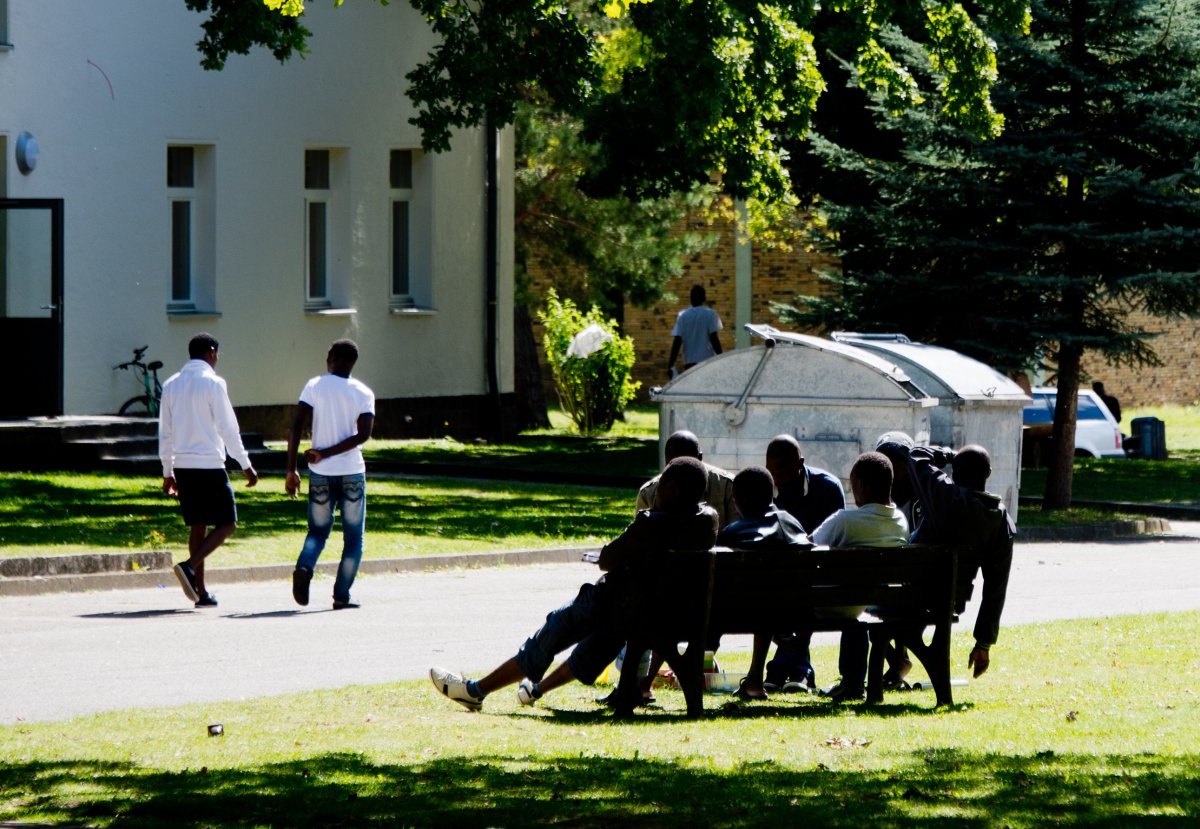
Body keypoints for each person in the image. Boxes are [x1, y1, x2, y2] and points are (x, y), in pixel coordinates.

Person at [429, 457, 718, 712]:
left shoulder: (651, 523)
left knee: (554, 629)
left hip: (616, 606)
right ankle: (529, 690)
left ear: (671, 489)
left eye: (661, 485)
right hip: (667, 616)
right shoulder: (707, 522)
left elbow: (608, 559)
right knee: (598, 643)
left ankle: (475, 691)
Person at [159, 332, 258, 608]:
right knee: (227, 523)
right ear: (212, 352)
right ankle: (189, 567)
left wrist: (168, 470)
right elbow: (228, 428)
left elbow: (165, 433)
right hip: (210, 465)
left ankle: (200, 592)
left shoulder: (170, 384)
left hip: (183, 466)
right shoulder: (214, 383)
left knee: (198, 525)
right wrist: (245, 464)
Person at [904, 442, 1015, 680]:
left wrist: (949, 455)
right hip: (951, 600)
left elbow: (915, 455)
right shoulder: (1000, 519)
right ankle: (898, 663)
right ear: (989, 474)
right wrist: (983, 642)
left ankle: (896, 663)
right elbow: (997, 585)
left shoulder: (944, 495)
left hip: (906, 595)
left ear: (955, 471)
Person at [286, 339, 376, 610]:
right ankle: (341, 596)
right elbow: (363, 435)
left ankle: (304, 567)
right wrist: (329, 451)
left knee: (317, 532)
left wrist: (291, 469)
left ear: (333, 358)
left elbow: (295, 428)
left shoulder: (314, 386)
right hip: (352, 472)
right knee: (354, 538)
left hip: (320, 473)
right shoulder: (363, 392)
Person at [812, 451, 909, 702]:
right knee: (857, 600)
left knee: (850, 601)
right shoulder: (900, 521)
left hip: (833, 604)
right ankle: (854, 682)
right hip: (875, 603)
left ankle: (848, 681)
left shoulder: (845, 521)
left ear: (861, 485)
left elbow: (808, 547)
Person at [715, 466, 813, 701]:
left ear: (737, 500)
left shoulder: (732, 533)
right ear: (771, 494)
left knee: (761, 605)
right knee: (768, 603)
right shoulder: (793, 526)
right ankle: (755, 681)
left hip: (739, 613)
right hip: (797, 614)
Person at [760, 434, 846, 692]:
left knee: (798, 597)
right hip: (782, 578)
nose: (779, 480)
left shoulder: (827, 489)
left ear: (801, 463)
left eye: (785, 473)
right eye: (773, 473)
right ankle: (797, 671)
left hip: (819, 577)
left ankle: (783, 670)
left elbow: (833, 544)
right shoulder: (767, 488)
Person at [637, 429, 739, 528]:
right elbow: (641, 538)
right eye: (675, 466)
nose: (682, 476)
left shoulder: (727, 486)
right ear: (666, 461)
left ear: (699, 458)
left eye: (688, 467)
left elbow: (738, 534)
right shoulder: (649, 492)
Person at [667, 284, 723, 376]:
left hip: (690, 364)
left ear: (690, 299)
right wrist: (721, 358)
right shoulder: (710, 314)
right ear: (704, 299)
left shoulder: (683, 316)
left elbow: (677, 342)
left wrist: (670, 365)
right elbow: (714, 339)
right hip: (707, 363)